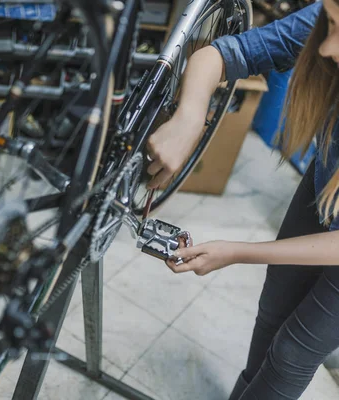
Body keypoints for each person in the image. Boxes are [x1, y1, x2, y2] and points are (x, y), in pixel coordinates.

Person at [145, 0, 339, 398]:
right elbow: (220, 53)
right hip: (328, 181)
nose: (325, 48)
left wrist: (236, 251)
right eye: (332, 22)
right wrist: (190, 118)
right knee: (273, 311)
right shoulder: (326, 19)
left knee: (292, 352)